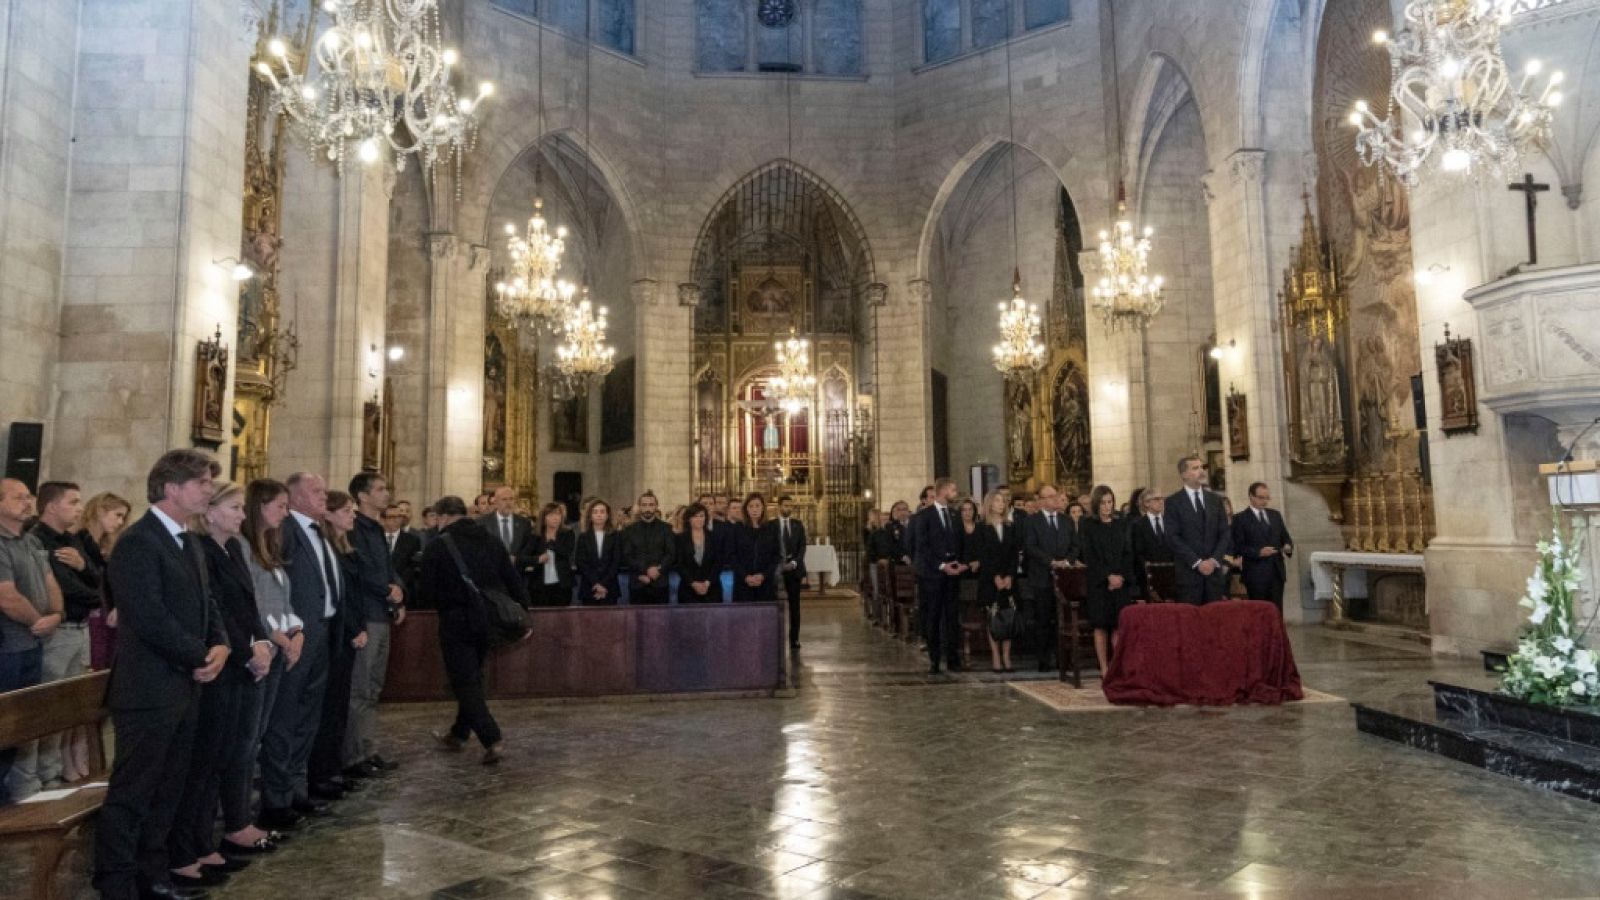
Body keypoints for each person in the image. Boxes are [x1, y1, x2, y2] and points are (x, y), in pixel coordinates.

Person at [94, 450, 229, 900]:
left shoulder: (189, 541)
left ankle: (153, 875)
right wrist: (200, 655)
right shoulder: (138, 543)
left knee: (170, 787)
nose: (209, 490)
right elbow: (149, 617)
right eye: (202, 483)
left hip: (184, 683)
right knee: (134, 790)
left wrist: (221, 645)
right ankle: (116, 882)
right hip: (148, 688)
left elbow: (208, 604)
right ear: (171, 488)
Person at [169, 481, 272, 890]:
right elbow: (216, 610)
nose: (242, 515)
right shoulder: (200, 549)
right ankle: (190, 845)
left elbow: (248, 605)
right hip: (220, 663)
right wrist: (246, 651)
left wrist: (261, 642)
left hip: (241, 659)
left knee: (225, 753)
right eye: (234, 508)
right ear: (209, 512)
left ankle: (204, 840)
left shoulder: (233, 549)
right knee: (205, 759)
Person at [258, 472, 341, 830]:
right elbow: (277, 588)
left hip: (320, 632)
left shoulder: (320, 530)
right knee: (285, 716)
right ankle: (276, 797)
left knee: (308, 715)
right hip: (296, 636)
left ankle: (296, 788)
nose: (324, 496)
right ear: (294, 497)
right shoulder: (286, 530)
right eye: (316, 491)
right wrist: (290, 629)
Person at [419, 496, 524, 765]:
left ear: (443, 516)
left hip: (456, 621)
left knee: (463, 681)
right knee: (472, 677)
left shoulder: (438, 545)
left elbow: (426, 591)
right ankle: (459, 734)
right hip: (488, 621)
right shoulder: (492, 540)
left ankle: (492, 738)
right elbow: (512, 579)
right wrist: (524, 615)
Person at [230, 479, 295, 857]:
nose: (285, 513)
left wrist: (295, 630)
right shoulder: (241, 546)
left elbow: (281, 597)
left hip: (276, 647)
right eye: (280, 506)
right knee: (246, 738)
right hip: (258, 650)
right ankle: (238, 819)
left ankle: (245, 815)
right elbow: (249, 602)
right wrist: (276, 635)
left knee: (258, 734)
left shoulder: (268, 545)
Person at [28, 481, 99, 788]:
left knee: (70, 706)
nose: (80, 508)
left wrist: (83, 566)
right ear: (51, 506)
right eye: (73, 502)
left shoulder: (73, 539)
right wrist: (96, 597)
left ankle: (55, 770)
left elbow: (99, 577)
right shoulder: (37, 540)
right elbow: (63, 587)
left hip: (80, 629)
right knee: (49, 705)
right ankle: (41, 775)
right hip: (58, 632)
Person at [0, 478, 61, 806]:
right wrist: (38, 621)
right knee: (4, 722)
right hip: (7, 647)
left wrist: (56, 614)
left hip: (33, 645)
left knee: (20, 725)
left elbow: (50, 581)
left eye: (29, 496)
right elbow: (6, 597)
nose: (28, 502)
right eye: (19, 497)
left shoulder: (31, 541)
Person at [307, 491, 367, 802]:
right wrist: (353, 628)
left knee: (340, 704)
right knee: (328, 706)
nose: (352, 515)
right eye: (346, 510)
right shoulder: (325, 547)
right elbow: (336, 595)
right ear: (328, 515)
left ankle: (334, 767)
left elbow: (352, 593)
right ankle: (321, 771)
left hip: (348, 629)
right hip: (336, 632)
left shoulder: (345, 548)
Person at [344, 474, 404, 781]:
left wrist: (399, 592)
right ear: (363, 496)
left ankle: (367, 749)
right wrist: (387, 590)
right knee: (360, 688)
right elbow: (362, 570)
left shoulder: (377, 528)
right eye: (380, 489)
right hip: (366, 614)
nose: (386, 494)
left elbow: (388, 568)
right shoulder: (354, 527)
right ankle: (354, 755)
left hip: (381, 613)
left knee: (374, 687)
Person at [909, 478, 966, 674]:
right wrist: (941, 565)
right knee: (933, 616)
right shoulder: (924, 516)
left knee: (952, 617)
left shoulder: (954, 515)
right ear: (943, 491)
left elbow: (959, 542)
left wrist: (959, 563)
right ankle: (934, 659)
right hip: (932, 576)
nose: (956, 492)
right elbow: (922, 547)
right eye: (953, 489)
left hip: (953, 575)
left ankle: (953, 658)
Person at [1081, 485, 1139, 673]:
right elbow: (1089, 556)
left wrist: (1121, 577)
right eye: (1103, 503)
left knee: (1117, 626)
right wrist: (1108, 577)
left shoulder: (1121, 524)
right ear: (1096, 504)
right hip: (1099, 584)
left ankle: (1117, 667)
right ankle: (1104, 668)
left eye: (1110, 502)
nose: (1107, 506)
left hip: (1120, 583)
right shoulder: (1088, 526)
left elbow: (1128, 553)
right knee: (1100, 626)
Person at [1163, 455, 1232, 604]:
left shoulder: (1215, 500)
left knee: (1214, 617)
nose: (1201, 471)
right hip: (1189, 575)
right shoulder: (1173, 502)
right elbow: (1172, 537)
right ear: (1184, 474)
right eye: (1195, 468)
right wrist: (1197, 562)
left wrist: (1213, 560)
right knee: (1190, 618)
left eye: (1202, 467)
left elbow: (1225, 533)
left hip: (1214, 575)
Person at [1022, 484, 1077, 671]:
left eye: (1056, 495)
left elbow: (1075, 545)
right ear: (1041, 500)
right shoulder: (1032, 521)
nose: (1055, 499)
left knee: (1062, 619)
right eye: (1050, 496)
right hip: (1042, 578)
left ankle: (1063, 658)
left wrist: (1066, 561)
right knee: (1043, 620)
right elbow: (1030, 547)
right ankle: (1044, 659)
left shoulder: (1066, 520)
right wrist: (1051, 561)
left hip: (1065, 577)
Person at [80, 492, 131, 671]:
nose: (120, 522)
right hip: (90, 609)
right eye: (117, 515)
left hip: (108, 608)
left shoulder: (110, 545)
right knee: (94, 660)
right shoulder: (80, 541)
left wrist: (118, 605)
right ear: (101, 511)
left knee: (108, 661)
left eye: (123, 518)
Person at [971, 490, 1020, 673]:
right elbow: (984, 554)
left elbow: (1014, 554)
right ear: (990, 503)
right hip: (990, 579)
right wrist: (995, 576)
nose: (1001, 504)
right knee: (993, 618)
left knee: (1008, 618)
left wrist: (1009, 576)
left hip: (1008, 579)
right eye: (998, 500)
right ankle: (996, 656)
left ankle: (1006, 655)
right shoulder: (981, 527)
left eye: (1003, 501)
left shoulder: (1010, 526)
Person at [1233, 482, 1294, 611]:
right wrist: (1258, 552)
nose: (1265, 501)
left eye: (1267, 498)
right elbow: (1238, 547)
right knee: (1259, 612)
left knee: (1276, 611)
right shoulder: (1240, 518)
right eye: (1261, 498)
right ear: (1251, 496)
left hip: (1276, 572)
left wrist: (1288, 546)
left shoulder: (1275, 515)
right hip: (1255, 573)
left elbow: (1285, 537)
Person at [624, 491, 675, 605]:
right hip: (638, 582)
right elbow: (627, 556)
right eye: (644, 505)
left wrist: (658, 570)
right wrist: (644, 571)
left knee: (661, 616)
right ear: (639, 507)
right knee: (637, 616)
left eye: (651, 505)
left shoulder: (666, 528)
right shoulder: (629, 530)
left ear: (656, 506)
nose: (648, 508)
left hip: (660, 583)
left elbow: (671, 554)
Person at [771, 495, 808, 648]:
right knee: (774, 604)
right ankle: (774, 638)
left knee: (795, 606)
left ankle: (794, 639)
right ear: (779, 506)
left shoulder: (798, 525)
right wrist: (779, 564)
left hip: (794, 570)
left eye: (790, 505)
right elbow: (768, 547)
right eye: (785, 505)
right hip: (776, 571)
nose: (788, 508)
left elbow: (802, 546)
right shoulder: (771, 525)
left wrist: (794, 563)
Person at [733, 493, 780, 603]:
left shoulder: (771, 528)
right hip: (743, 583)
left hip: (765, 583)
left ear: (763, 508)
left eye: (757, 506)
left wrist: (763, 575)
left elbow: (776, 556)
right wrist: (745, 577)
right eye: (751, 506)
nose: (754, 509)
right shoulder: (738, 528)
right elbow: (732, 555)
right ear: (746, 509)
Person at [673, 503, 723, 604]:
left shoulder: (715, 537)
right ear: (689, 519)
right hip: (688, 589)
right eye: (695, 516)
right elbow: (679, 564)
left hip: (712, 589)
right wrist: (693, 583)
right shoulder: (680, 539)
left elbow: (718, 562)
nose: (699, 519)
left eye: (701, 516)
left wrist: (707, 583)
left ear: (706, 518)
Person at [574, 499, 621, 605]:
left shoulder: (615, 535)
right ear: (590, 516)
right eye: (595, 512)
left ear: (607, 515)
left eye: (602, 512)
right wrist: (596, 583)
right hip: (589, 587)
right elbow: (580, 562)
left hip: (609, 587)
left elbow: (616, 561)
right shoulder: (583, 537)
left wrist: (603, 584)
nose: (599, 515)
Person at [1130, 490, 1174, 600]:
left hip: (1171, 577)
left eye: (1162, 499)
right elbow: (1138, 553)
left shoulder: (1171, 522)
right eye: (1157, 499)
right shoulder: (1138, 525)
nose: (1161, 502)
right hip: (1149, 578)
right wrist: (1148, 572)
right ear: (1146, 503)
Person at [528, 503, 575, 607]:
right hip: (539, 585)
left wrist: (551, 543)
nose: (555, 518)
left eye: (558, 514)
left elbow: (567, 552)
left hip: (562, 585)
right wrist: (538, 559)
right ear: (544, 517)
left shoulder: (568, 533)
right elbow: (522, 558)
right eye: (551, 514)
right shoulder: (535, 535)